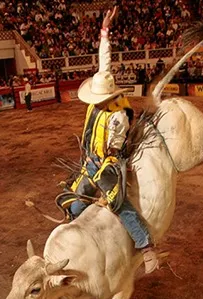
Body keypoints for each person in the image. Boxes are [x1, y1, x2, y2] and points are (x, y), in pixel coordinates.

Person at [67, 6, 159, 274]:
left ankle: (145, 246)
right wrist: (105, 31)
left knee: (119, 203)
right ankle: (81, 232)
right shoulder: (104, 92)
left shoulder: (118, 117)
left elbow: (113, 150)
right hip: (91, 161)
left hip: (108, 162)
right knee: (75, 201)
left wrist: (103, 173)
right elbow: (104, 62)